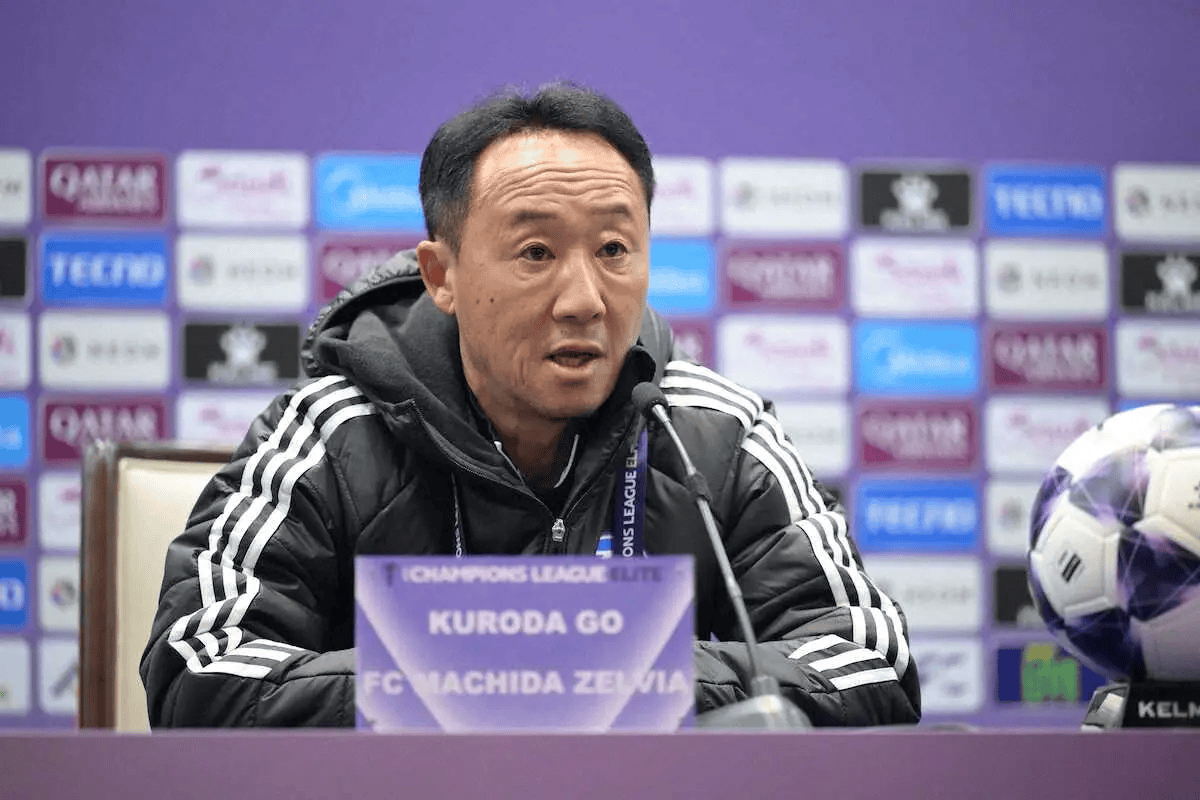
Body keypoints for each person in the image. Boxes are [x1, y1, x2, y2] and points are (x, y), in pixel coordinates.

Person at [141, 82, 921, 727]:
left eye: (613, 250)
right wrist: (492, 677)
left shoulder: (714, 434)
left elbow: (871, 663)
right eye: (536, 253)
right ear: (441, 276)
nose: (584, 300)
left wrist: (617, 671)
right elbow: (199, 669)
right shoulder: (330, 438)